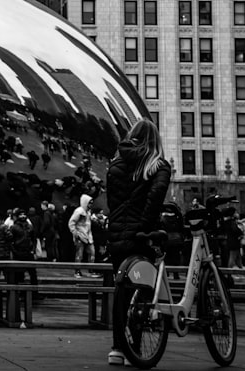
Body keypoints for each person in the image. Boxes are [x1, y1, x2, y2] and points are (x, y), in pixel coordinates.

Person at [105, 118, 172, 367]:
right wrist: (146, 227)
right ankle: (133, 346)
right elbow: (155, 197)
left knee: (122, 290)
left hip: (117, 235)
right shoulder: (157, 165)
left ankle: (117, 349)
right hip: (140, 236)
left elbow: (112, 200)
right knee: (142, 292)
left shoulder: (115, 163)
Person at [68, 194, 96, 278]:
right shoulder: (79, 211)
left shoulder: (88, 212)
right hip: (80, 236)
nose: (91, 204)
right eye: (89, 203)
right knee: (79, 255)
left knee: (92, 253)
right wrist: (76, 234)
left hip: (88, 236)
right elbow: (71, 223)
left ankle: (90, 270)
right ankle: (77, 271)